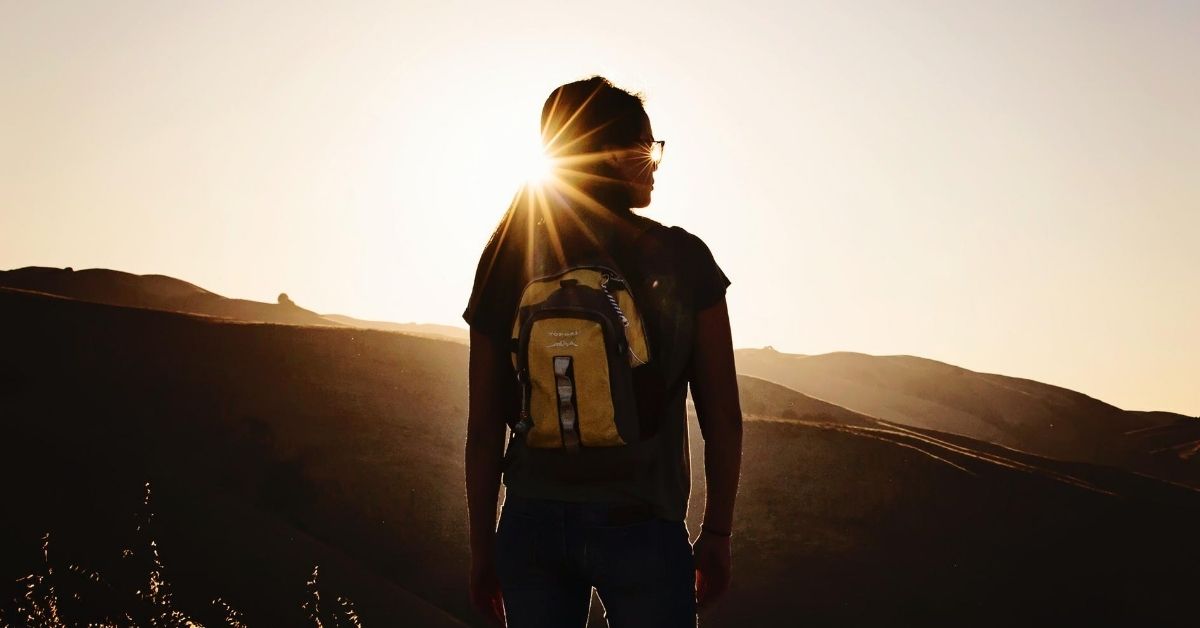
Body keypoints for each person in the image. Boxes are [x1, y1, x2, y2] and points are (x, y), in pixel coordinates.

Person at [463, 76, 743, 628]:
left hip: (532, 523)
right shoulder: (683, 259)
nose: (655, 161)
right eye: (646, 147)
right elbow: (724, 420)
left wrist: (481, 547)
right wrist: (717, 534)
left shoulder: (506, 258)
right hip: (642, 523)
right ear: (611, 155)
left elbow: (482, 427)